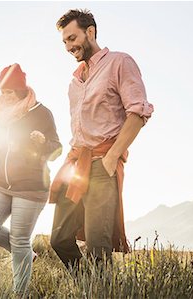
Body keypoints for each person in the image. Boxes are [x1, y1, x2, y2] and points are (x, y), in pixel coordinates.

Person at [49, 9, 154, 269]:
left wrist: (111, 157)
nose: (68, 46)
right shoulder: (74, 83)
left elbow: (138, 112)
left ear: (90, 32)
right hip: (76, 164)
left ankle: (99, 289)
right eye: (64, 41)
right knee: (59, 238)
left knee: (98, 251)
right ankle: (87, 286)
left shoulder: (119, 62)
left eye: (72, 38)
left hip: (102, 165)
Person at [0, 63, 62, 297]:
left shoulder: (41, 112)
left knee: (20, 239)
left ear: (21, 90)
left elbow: (57, 149)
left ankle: (19, 293)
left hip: (31, 186)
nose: (4, 96)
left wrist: (43, 142)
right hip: (1, 182)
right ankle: (25, 253)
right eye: (2, 91)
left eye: (10, 92)